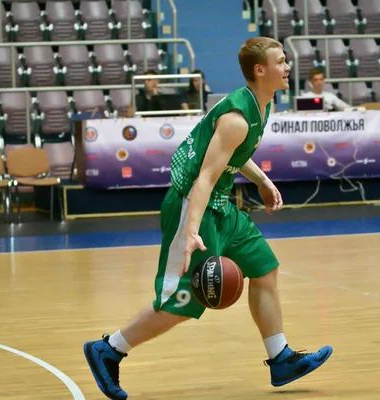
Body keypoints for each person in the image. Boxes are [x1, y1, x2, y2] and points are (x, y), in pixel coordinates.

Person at [83, 37, 333, 400]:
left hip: (219, 203)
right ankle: (109, 348)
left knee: (264, 267)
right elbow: (203, 178)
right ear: (260, 70)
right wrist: (190, 233)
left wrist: (261, 180)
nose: (288, 67)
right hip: (191, 204)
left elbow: (232, 154)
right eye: (281, 62)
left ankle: (280, 358)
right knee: (184, 302)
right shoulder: (236, 118)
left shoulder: (262, 106)